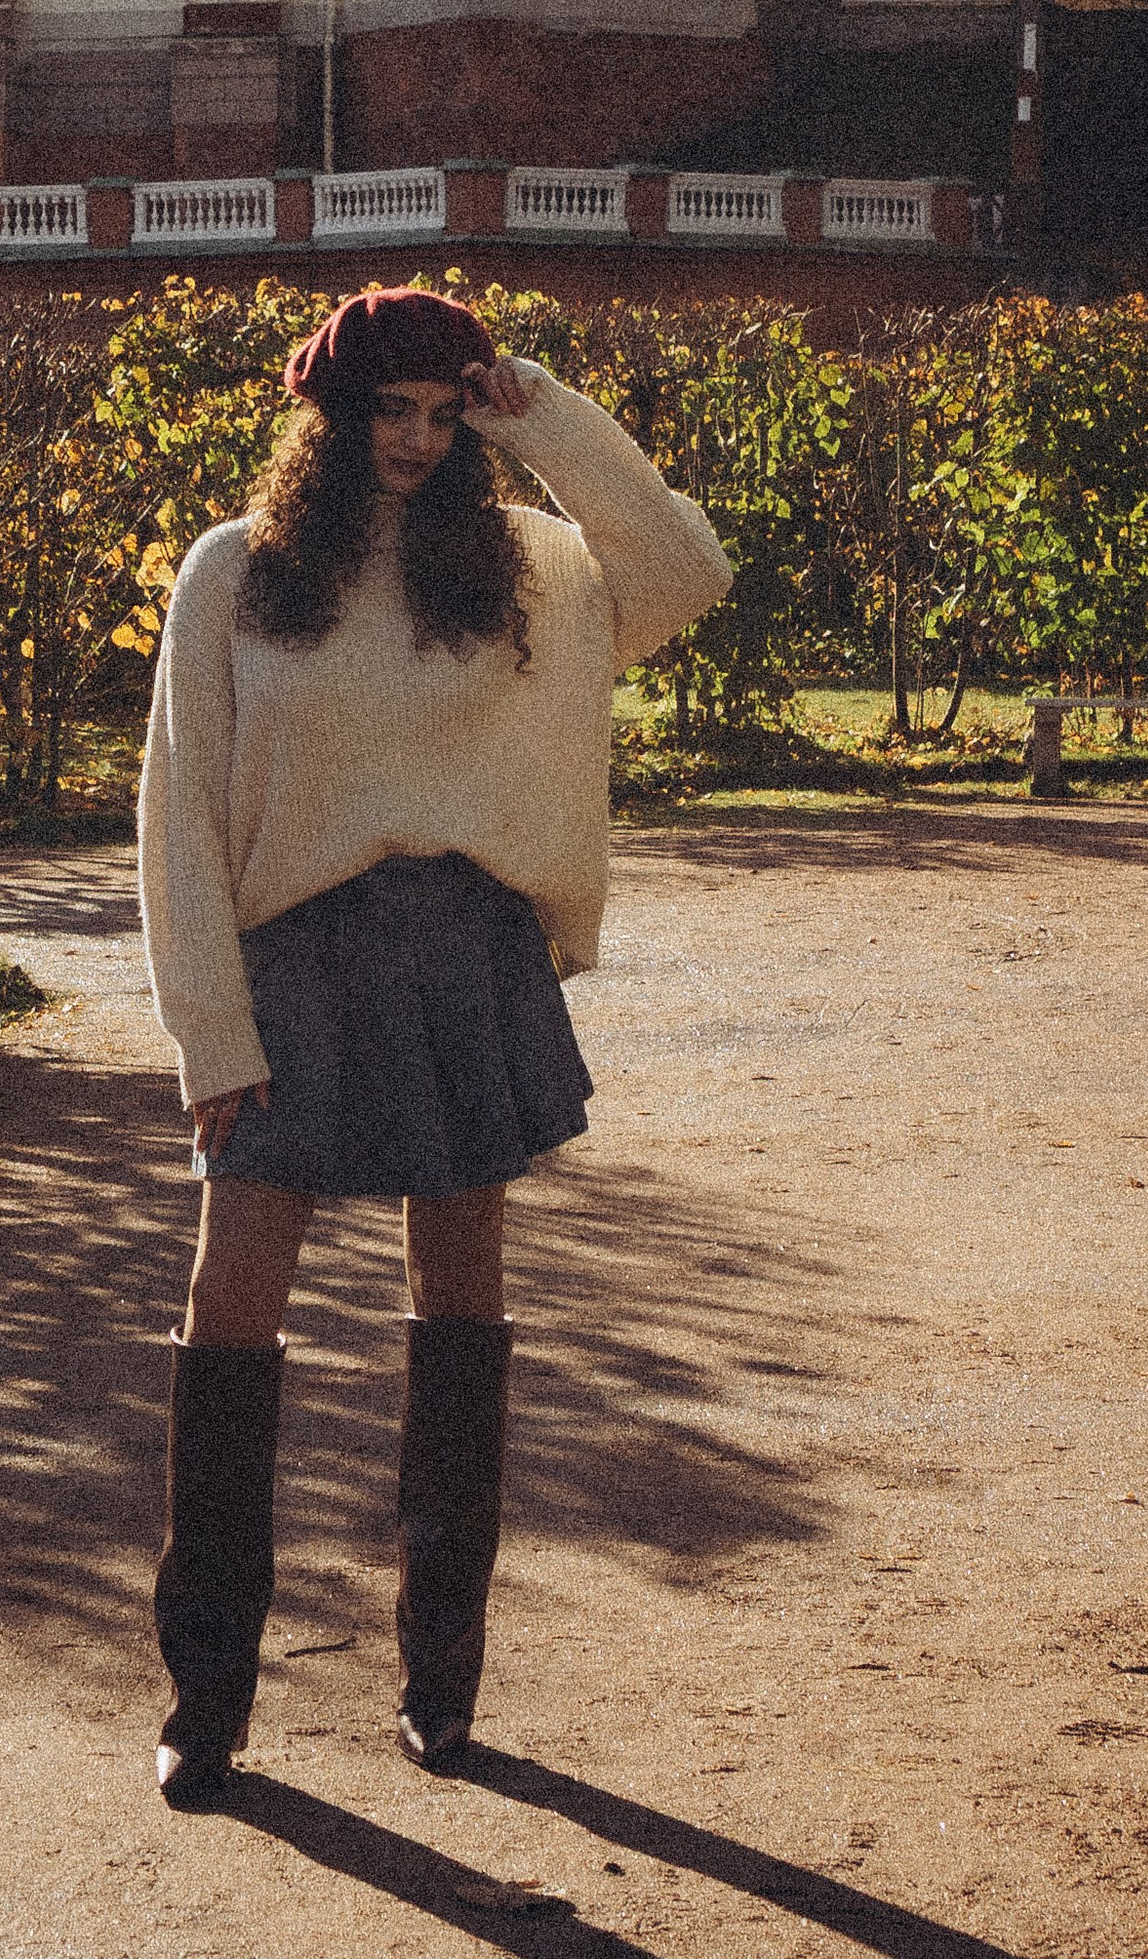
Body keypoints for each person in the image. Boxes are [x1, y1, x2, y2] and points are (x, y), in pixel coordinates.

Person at [134, 283, 732, 1808]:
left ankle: (439, 1685)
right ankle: (207, 1703)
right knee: (232, 1304)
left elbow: (686, 566)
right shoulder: (236, 575)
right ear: (326, 422)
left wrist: (544, 415)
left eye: (437, 414)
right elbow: (178, 818)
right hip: (297, 967)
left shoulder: (527, 571)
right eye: (383, 412)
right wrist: (213, 1036)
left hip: (466, 959)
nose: (409, 440)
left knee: (460, 1302)